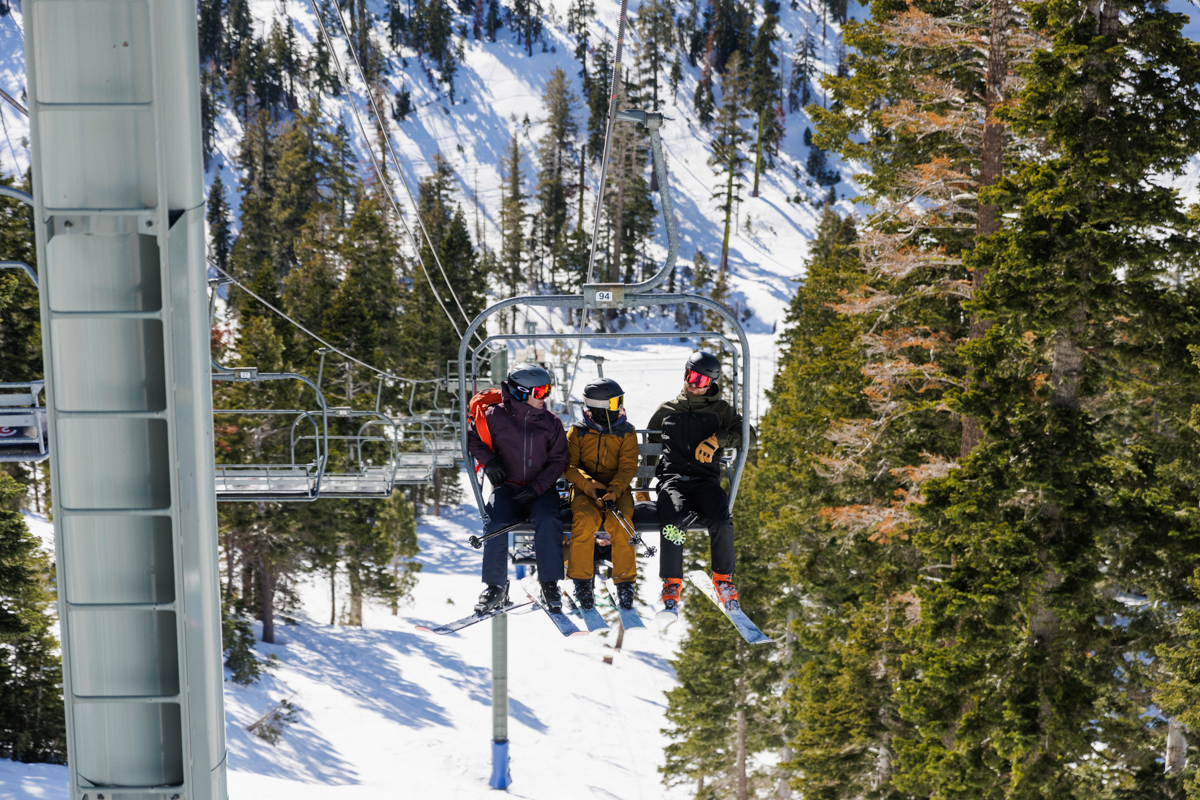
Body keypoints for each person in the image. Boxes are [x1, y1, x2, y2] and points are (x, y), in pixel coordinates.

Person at [648, 350, 755, 611]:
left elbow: (749, 435)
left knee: (721, 518)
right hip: (673, 481)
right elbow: (650, 445)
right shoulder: (666, 410)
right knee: (673, 519)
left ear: (712, 383)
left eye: (702, 380)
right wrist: (642, 487)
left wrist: (719, 438)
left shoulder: (721, 411)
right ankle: (672, 582)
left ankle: (722, 578)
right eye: (691, 376)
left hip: (705, 481)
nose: (694, 383)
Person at [467, 363, 569, 615]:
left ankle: (549, 583)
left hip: (541, 490)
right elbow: (471, 437)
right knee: (495, 522)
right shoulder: (495, 416)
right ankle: (496, 586)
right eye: (540, 391)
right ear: (522, 392)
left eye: (547, 390)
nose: (545, 397)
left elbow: (559, 461)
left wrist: (538, 488)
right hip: (507, 488)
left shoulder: (551, 422)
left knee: (548, 518)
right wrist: (490, 462)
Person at [564, 378, 639, 611]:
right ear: (599, 406)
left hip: (618, 490)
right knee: (585, 521)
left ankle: (625, 582)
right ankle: (582, 582)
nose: (619, 406)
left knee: (622, 520)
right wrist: (590, 486)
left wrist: (614, 491)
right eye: (615, 402)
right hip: (585, 491)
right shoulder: (577, 432)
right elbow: (569, 466)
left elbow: (628, 467)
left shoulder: (626, 432)